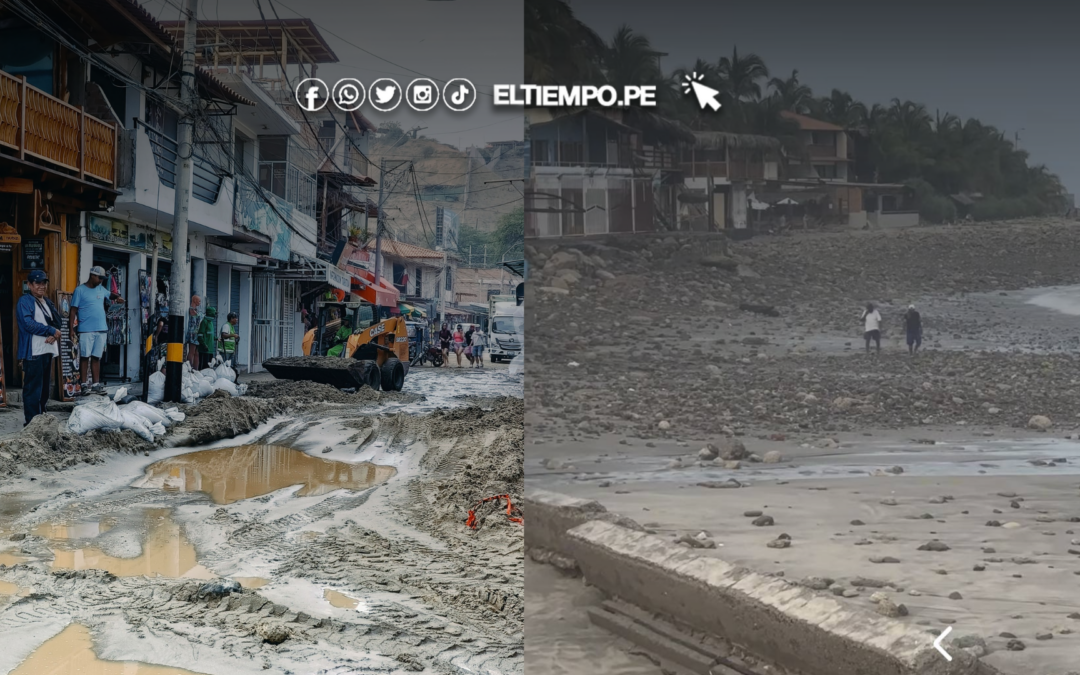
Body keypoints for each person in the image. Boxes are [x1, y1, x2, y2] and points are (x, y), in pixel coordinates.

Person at [17, 270, 61, 426]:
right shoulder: (25, 301)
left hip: (47, 351)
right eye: (37, 283)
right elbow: (28, 324)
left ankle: (41, 420)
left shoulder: (47, 302)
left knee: (44, 391)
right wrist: (49, 331)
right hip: (33, 352)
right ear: (29, 285)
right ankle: (31, 424)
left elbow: (58, 322)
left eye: (44, 283)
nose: (41, 286)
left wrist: (54, 334)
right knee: (32, 390)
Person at [70, 266, 123, 393]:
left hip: (101, 329)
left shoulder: (101, 288)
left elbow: (110, 294)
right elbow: (73, 310)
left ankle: (95, 384)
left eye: (103, 279)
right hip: (86, 330)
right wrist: (71, 329)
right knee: (84, 357)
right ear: (92, 275)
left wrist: (117, 297)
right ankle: (83, 384)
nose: (101, 281)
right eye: (99, 278)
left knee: (96, 357)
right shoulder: (80, 290)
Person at [186, 295, 202, 368]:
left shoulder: (195, 310)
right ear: (194, 300)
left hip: (196, 333)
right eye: (199, 301)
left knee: (196, 353)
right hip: (193, 333)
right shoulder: (192, 310)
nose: (200, 303)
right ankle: (190, 367)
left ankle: (195, 369)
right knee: (192, 351)